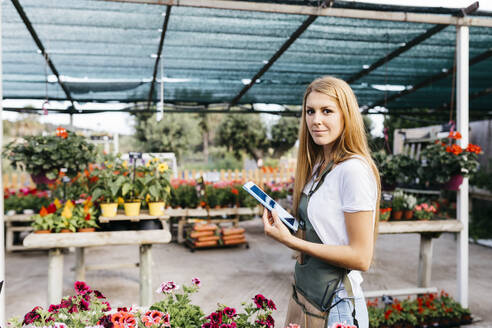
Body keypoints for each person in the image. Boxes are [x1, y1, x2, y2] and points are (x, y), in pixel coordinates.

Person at [262, 76, 380, 328]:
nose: (316, 120)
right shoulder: (319, 166)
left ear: (346, 115)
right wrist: (287, 224)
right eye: (310, 111)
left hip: (335, 305)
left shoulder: (353, 170)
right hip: (308, 294)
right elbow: (325, 231)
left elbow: (361, 257)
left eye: (327, 111)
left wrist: (290, 241)